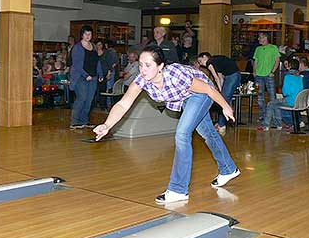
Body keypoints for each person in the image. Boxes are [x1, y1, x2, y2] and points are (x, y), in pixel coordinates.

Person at [93, 45, 240, 204]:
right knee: (207, 133)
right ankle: (229, 169)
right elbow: (123, 104)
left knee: (182, 134)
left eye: (148, 65)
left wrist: (225, 106)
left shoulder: (175, 75)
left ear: (160, 66)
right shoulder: (143, 79)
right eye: (141, 64)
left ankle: (178, 190)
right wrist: (107, 125)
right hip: (186, 97)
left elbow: (209, 89)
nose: (143, 69)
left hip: (201, 94)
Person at [198, 52, 241, 135]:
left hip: (232, 76)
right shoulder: (216, 60)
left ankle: (221, 125)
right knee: (225, 99)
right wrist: (221, 91)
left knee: (223, 101)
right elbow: (220, 78)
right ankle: (222, 123)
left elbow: (217, 78)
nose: (201, 64)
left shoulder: (209, 63)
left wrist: (220, 93)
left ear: (205, 57)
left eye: (200, 61)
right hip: (236, 75)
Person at [70, 25, 103, 129]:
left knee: (89, 100)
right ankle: (74, 121)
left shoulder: (93, 46)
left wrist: (100, 74)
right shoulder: (77, 47)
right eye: (86, 34)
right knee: (82, 98)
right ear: (82, 35)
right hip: (81, 77)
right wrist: (86, 75)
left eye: (90, 34)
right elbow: (76, 64)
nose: (88, 36)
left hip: (93, 77)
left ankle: (85, 120)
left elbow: (97, 62)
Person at [257, 59, 303, 131]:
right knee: (275, 104)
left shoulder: (288, 76)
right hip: (299, 100)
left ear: (290, 66)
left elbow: (285, 93)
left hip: (291, 100)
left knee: (270, 104)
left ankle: (266, 126)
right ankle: (278, 125)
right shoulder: (300, 77)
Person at [253, 32, 281, 121]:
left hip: (269, 75)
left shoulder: (273, 48)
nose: (259, 39)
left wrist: (272, 72)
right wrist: (254, 71)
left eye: (260, 37)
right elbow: (255, 61)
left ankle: (274, 116)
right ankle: (263, 115)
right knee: (260, 98)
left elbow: (277, 61)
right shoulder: (258, 49)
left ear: (265, 38)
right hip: (258, 75)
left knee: (272, 96)